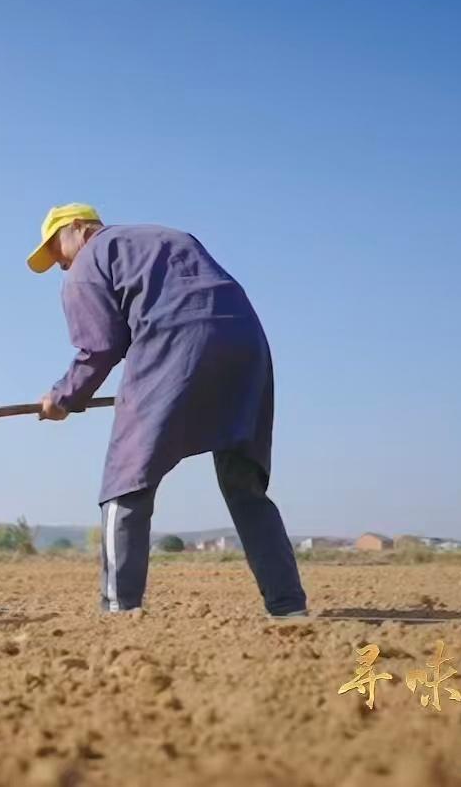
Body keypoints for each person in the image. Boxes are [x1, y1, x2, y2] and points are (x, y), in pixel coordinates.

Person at [28, 203, 307, 617]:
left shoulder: (90, 261)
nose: (61, 266)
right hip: (246, 345)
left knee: (126, 480)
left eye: (57, 250)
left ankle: (119, 610)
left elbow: (99, 346)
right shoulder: (165, 235)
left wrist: (63, 396)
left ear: (80, 229)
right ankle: (288, 607)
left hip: (176, 341)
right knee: (245, 485)